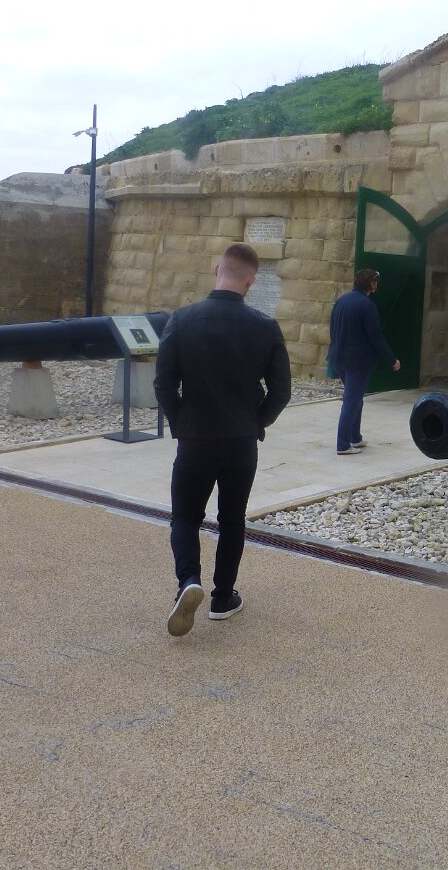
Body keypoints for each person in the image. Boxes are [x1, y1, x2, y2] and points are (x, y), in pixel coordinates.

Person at [153, 242, 292, 637]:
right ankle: (222, 597)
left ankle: (188, 581)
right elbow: (281, 391)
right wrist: (256, 421)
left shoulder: (182, 320)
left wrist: (181, 422)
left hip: (195, 438)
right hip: (240, 440)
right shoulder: (265, 326)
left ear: (218, 269)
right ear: (251, 282)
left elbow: (163, 384)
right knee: (232, 519)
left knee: (185, 517)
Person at [327, 268, 399, 456]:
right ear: (371, 284)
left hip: (338, 357)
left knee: (356, 398)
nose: (377, 285)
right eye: (376, 282)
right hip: (357, 361)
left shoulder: (341, 301)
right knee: (352, 400)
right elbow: (376, 337)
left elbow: (333, 328)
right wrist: (392, 359)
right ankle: (343, 444)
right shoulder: (367, 306)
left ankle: (355, 437)